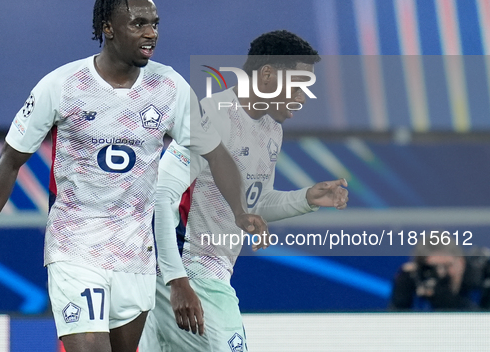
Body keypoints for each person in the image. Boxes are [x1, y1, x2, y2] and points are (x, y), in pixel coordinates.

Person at [0, 0, 268, 352]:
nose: (150, 32)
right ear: (108, 28)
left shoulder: (170, 88)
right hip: (76, 250)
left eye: (154, 23)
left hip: (135, 257)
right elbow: (7, 166)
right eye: (138, 24)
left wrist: (240, 210)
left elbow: (217, 155)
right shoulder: (63, 86)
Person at [140, 30, 349, 351]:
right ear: (267, 75)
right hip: (189, 272)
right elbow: (161, 195)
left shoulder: (270, 130)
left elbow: (255, 203)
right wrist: (176, 281)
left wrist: (305, 198)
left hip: (206, 276)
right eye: (299, 84)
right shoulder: (211, 116)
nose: (304, 97)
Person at [390, 233, 490, 311]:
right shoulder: (418, 279)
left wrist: (449, 303)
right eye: (433, 268)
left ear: (461, 262)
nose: (441, 273)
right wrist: (401, 298)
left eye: (447, 266)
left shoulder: (482, 277)